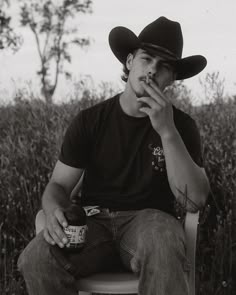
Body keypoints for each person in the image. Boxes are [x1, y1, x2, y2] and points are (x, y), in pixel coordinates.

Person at [18, 16, 210, 295]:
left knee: (162, 240)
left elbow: (195, 199)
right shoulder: (90, 121)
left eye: (164, 66)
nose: (153, 70)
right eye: (146, 59)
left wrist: (167, 130)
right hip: (92, 223)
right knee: (36, 259)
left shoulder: (182, 126)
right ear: (130, 62)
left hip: (150, 223)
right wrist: (53, 210)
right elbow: (58, 186)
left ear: (173, 78)